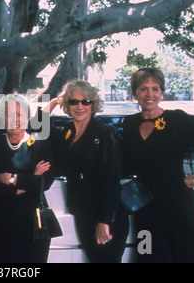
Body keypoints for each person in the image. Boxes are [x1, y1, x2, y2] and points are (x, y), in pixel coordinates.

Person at [122, 68, 194, 263]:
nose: (150, 94)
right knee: (147, 255)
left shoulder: (177, 119)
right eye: (143, 89)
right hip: (145, 208)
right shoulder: (129, 123)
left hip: (180, 206)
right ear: (135, 93)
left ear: (162, 92)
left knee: (184, 257)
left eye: (155, 89)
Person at [43, 80, 129, 263]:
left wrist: (104, 221)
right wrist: (53, 102)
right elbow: (38, 125)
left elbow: (112, 178)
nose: (79, 106)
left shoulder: (105, 132)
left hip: (106, 215)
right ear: (67, 105)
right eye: (73, 101)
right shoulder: (67, 133)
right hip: (83, 212)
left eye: (85, 101)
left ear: (93, 104)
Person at [0, 94, 55, 263]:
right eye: (9, 115)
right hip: (0, 224)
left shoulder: (40, 144)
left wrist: (12, 179)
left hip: (34, 224)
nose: (14, 120)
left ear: (28, 117)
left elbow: (46, 181)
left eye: (20, 114)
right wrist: (32, 179)